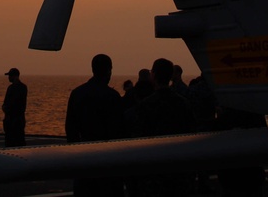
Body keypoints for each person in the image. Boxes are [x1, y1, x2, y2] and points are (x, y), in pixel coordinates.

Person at [65, 53, 126, 197]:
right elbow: (120, 130)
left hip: (84, 155)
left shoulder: (77, 93)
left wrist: (75, 152)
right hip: (109, 159)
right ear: (109, 71)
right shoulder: (113, 96)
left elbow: (70, 127)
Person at [134, 58, 196, 196]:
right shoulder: (183, 103)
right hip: (179, 169)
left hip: (155, 170)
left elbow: (140, 136)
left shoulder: (146, 105)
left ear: (154, 75)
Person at [2, 68, 28, 147]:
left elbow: (10, 104)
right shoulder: (22, 87)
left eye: (10, 76)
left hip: (14, 119)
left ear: (15, 76)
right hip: (16, 119)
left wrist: (6, 109)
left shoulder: (14, 88)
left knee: (12, 142)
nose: (9, 78)